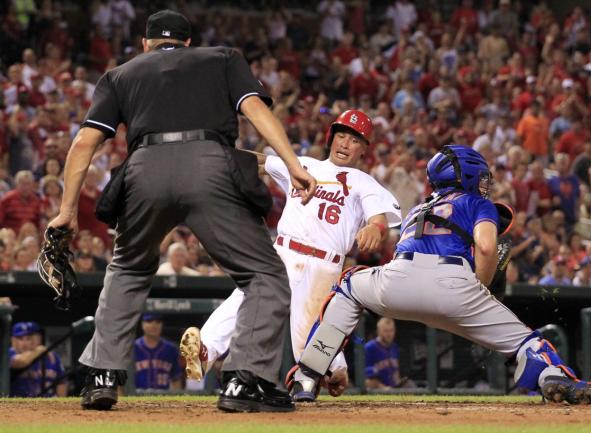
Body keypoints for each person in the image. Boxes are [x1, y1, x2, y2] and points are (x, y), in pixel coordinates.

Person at [47, 10, 316, 412]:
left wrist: (66, 210)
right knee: (263, 275)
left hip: (143, 170)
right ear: (188, 43)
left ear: (145, 45)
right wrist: (294, 165)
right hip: (210, 165)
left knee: (128, 268)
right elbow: (256, 111)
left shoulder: (120, 75)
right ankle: (245, 380)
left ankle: (103, 374)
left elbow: (86, 141)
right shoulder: (223, 57)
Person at [288, 144, 591, 405]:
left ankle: (307, 375)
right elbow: (485, 246)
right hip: (455, 287)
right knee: (526, 341)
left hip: (398, 281)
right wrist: (481, 285)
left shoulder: (419, 208)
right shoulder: (477, 202)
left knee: (347, 286)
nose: (485, 183)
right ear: (468, 175)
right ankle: (552, 376)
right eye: (481, 177)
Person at [179, 109, 402, 402]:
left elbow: (379, 219)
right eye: (342, 135)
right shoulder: (303, 165)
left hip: (323, 265)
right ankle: (205, 351)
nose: (346, 144)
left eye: (355, 139)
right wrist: (216, 153)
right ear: (331, 137)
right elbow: (259, 161)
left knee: (310, 334)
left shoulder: (363, 182)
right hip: (282, 252)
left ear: (364, 148)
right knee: (247, 298)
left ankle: (332, 370)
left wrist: (376, 227)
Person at [9, 321, 66, 397]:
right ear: (13, 340)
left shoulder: (53, 357)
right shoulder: (8, 353)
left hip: (49, 405)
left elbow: (61, 382)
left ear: (38, 338)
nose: (24, 343)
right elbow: (20, 362)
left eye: (28, 338)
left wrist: (60, 404)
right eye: (20, 338)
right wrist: (39, 350)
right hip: (20, 406)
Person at [134, 313, 183, 391]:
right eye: (149, 321)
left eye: (158, 321)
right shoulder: (133, 348)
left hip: (163, 397)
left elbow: (176, 379)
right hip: (136, 397)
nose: (154, 325)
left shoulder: (171, 349)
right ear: (142, 324)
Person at [364, 317, 414, 390]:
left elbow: (396, 372)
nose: (389, 334)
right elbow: (363, 374)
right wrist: (377, 369)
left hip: (392, 386)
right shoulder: (370, 347)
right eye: (386, 331)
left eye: (391, 330)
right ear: (378, 331)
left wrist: (398, 383)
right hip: (376, 386)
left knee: (410, 385)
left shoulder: (394, 347)